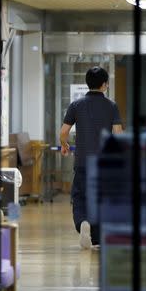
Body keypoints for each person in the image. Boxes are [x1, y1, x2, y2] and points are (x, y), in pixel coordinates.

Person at [60, 67, 123, 249]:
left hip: (82, 162)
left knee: (80, 197)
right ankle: (97, 239)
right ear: (104, 85)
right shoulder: (112, 106)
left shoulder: (76, 105)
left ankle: (82, 224)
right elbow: (118, 134)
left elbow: (64, 132)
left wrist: (65, 145)